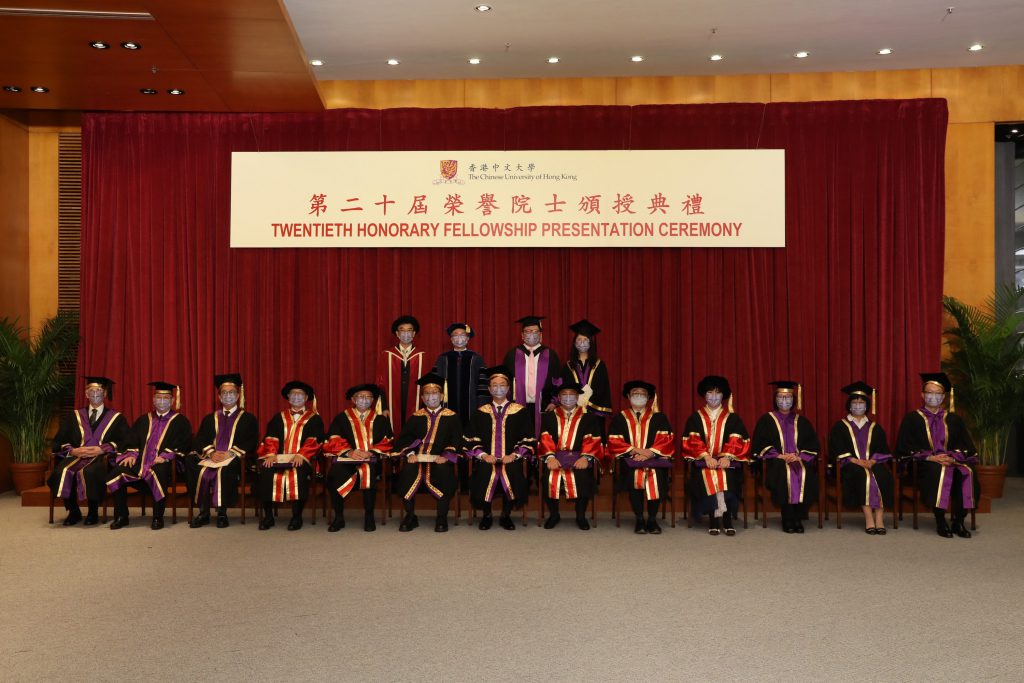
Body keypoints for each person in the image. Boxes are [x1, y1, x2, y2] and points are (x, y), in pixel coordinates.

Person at [895, 372, 979, 538]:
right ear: (922, 395)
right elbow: (903, 447)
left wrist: (952, 457)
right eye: (929, 393)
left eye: (938, 393)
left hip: (951, 460)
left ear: (944, 396)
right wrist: (930, 457)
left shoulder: (954, 419)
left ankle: (959, 521)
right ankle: (940, 520)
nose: (933, 396)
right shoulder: (912, 419)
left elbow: (967, 446)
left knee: (967, 471)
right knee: (938, 471)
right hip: (924, 464)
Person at [107, 381, 192, 530]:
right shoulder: (143, 419)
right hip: (140, 463)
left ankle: (158, 517)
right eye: (158, 397)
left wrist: (166, 456)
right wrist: (131, 454)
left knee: (158, 471)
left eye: (166, 398)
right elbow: (131, 440)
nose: (162, 401)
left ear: (172, 401)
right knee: (117, 472)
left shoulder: (180, 421)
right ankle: (122, 516)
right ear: (153, 400)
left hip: (165, 465)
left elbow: (185, 443)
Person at [49, 376, 129, 526]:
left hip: (101, 458)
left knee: (90, 472)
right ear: (86, 394)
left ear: (105, 394)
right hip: (76, 456)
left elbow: (125, 441)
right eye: (91, 390)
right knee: (62, 471)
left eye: (99, 390)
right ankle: (74, 511)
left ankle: (93, 512)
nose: (95, 393)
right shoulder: (75, 416)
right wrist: (73, 451)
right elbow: (59, 440)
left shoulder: (116, 418)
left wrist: (102, 449)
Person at [465, 367, 535, 530]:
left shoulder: (520, 412)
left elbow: (529, 439)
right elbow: (469, 440)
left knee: (511, 471)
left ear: (508, 388)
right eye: (494, 385)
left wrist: (515, 455)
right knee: (484, 472)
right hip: (487, 459)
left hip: (510, 458)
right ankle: (487, 515)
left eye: (502, 385)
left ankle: (506, 515)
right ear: (489, 389)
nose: (498, 388)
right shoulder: (480, 412)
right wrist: (482, 455)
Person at [391, 373, 463, 532]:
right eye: (427, 394)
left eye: (435, 393)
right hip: (418, 459)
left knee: (443, 472)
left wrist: (446, 456)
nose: (431, 397)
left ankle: (441, 517)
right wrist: (410, 454)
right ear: (422, 398)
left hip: (439, 459)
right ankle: (410, 516)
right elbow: (404, 439)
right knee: (408, 471)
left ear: (442, 395)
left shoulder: (452, 417)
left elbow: (456, 440)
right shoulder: (416, 417)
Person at [187, 373, 259, 528]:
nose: (228, 396)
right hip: (212, 457)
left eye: (231, 392)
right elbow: (199, 439)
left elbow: (251, 440)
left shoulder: (248, 418)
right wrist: (212, 453)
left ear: (238, 395)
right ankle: (203, 513)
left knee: (226, 470)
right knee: (193, 465)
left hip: (233, 457)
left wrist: (230, 453)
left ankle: (222, 513)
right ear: (219, 397)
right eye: (224, 393)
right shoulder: (210, 418)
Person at [681, 375, 750, 536]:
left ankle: (726, 518)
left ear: (723, 395)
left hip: (727, 464)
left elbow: (737, 439)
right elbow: (692, 440)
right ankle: (714, 518)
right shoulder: (695, 418)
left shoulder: (732, 418)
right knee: (709, 476)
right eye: (709, 392)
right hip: (703, 463)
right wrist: (706, 457)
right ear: (704, 395)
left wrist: (727, 456)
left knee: (727, 478)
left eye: (717, 393)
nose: (713, 397)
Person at [323, 383, 393, 532]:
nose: (365, 399)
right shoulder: (342, 418)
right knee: (335, 474)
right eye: (361, 397)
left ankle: (369, 517)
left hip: (371, 460)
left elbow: (388, 441)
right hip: (347, 460)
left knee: (370, 471)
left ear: (373, 400)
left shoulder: (380, 419)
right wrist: (349, 452)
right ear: (353, 400)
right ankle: (339, 517)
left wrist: (371, 452)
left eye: (368, 397)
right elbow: (333, 439)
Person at [751, 380, 820, 533]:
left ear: (793, 400)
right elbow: (759, 443)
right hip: (776, 462)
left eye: (788, 397)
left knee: (804, 473)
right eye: (780, 397)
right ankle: (787, 517)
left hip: (798, 460)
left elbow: (812, 444)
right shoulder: (766, 420)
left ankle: (798, 516)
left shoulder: (802, 421)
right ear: (775, 400)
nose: (784, 401)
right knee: (785, 473)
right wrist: (779, 455)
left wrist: (799, 456)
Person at [607, 380, 675, 534]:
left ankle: (651, 519)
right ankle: (639, 519)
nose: (638, 396)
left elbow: (667, 439)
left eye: (642, 393)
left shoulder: (659, 417)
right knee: (634, 476)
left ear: (648, 397)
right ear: (628, 397)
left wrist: (649, 453)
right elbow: (613, 441)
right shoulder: (620, 418)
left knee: (655, 477)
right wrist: (635, 451)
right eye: (635, 393)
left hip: (655, 461)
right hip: (629, 461)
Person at [255, 381, 324, 531]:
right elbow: (270, 437)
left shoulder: (314, 418)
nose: (296, 397)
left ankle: (296, 517)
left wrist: (302, 454)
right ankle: (268, 517)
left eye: (300, 394)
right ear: (288, 397)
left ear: (306, 397)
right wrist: (271, 454)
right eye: (293, 394)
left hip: (301, 459)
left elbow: (315, 440)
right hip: (278, 458)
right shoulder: (278, 417)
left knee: (297, 473)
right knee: (266, 472)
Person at [829, 381, 894, 535]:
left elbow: (882, 449)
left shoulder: (875, 427)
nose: (858, 405)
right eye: (855, 402)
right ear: (849, 405)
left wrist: (872, 461)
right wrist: (856, 460)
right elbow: (836, 449)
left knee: (883, 476)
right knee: (863, 476)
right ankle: (868, 518)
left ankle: (879, 518)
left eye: (861, 402)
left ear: (867, 405)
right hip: (850, 464)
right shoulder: (840, 426)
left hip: (872, 463)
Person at [538, 380, 604, 530]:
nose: (568, 398)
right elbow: (545, 437)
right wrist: (550, 457)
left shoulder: (588, 416)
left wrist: (585, 457)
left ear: (577, 397)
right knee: (549, 476)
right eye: (564, 395)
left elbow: (593, 438)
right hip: (556, 455)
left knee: (582, 476)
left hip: (579, 456)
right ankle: (554, 514)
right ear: (559, 398)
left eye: (572, 395)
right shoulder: (549, 416)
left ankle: (580, 516)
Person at [432, 321, 488, 492]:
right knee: (448, 441)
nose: (458, 338)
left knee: (470, 442)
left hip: (471, 410)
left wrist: (481, 409)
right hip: (448, 410)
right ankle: (448, 479)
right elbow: (436, 385)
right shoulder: (443, 359)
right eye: (455, 335)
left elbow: (483, 385)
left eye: (462, 335)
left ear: (468, 338)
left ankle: (468, 480)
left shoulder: (477, 359)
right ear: (450, 338)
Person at [502, 315, 561, 438]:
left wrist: (554, 401)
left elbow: (558, 380)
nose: (531, 334)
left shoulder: (550, 355)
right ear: (522, 335)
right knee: (520, 435)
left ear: (540, 334)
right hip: (517, 404)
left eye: (535, 331)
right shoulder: (512, 355)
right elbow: (505, 380)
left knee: (543, 436)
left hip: (544, 406)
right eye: (528, 331)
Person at [377, 315, 428, 434]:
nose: (406, 334)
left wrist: (423, 407)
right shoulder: (387, 355)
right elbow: (381, 382)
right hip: (392, 402)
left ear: (414, 333)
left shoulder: (422, 355)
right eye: (402, 330)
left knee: (413, 429)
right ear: (397, 333)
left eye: (409, 330)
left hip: (415, 403)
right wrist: (384, 406)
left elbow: (427, 384)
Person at [563, 319, 612, 423]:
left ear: (590, 342)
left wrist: (587, 402)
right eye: (579, 339)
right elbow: (565, 386)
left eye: (585, 339)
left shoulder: (599, 365)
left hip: (595, 413)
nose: (582, 342)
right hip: (573, 412)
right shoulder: (568, 366)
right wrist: (576, 401)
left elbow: (602, 388)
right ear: (575, 343)